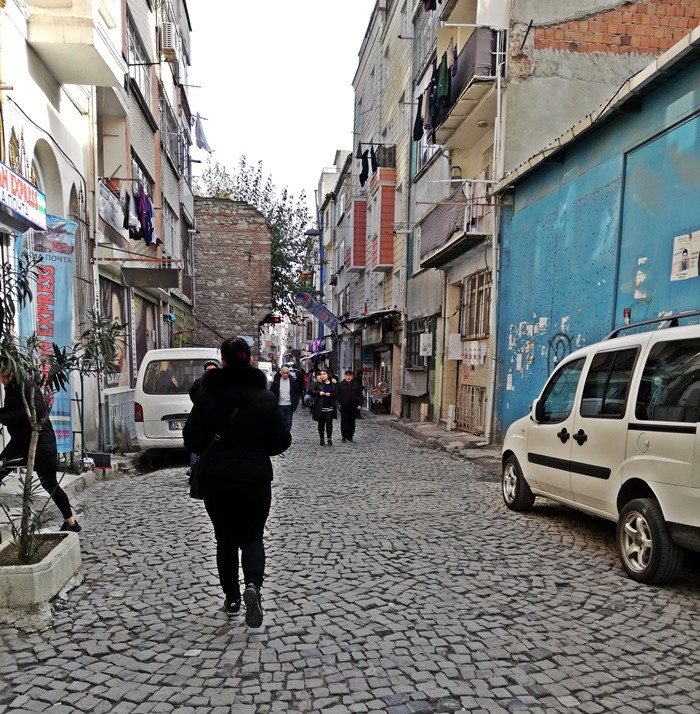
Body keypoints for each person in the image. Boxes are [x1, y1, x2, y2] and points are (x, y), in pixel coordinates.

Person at [183, 338, 291, 628]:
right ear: (250, 361)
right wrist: (256, 448)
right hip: (255, 478)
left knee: (225, 539)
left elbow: (191, 439)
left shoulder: (207, 395)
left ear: (224, 360)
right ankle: (253, 586)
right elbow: (282, 441)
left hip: (217, 478)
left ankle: (232, 599)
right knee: (253, 536)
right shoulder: (266, 398)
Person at [0, 372, 81, 532]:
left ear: (6, 372)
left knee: (50, 484)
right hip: (21, 442)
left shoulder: (25, 385)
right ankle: (71, 523)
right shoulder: (11, 386)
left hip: (39, 443)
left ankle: (71, 523)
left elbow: (33, 411)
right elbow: (13, 409)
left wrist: (3, 417)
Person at [310, 369, 337, 445]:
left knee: (329, 423)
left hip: (330, 407)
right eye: (321, 374)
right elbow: (311, 391)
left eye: (324, 374)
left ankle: (329, 438)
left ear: (328, 375)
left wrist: (330, 395)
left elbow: (336, 394)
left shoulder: (332, 384)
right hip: (320, 407)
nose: (322, 375)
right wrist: (319, 393)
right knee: (321, 424)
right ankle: (321, 438)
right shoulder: (317, 383)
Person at [270, 365, 300, 430]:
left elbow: (297, 393)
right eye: (284, 373)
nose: (285, 375)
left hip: (289, 406)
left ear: (288, 373)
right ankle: (282, 437)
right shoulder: (276, 382)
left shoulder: (293, 381)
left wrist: (295, 403)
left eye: (287, 373)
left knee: (288, 423)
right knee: (281, 423)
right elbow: (271, 392)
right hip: (280, 405)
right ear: (281, 373)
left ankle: (287, 437)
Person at [337, 370, 363, 442]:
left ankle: (350, 436)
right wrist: (341, 401)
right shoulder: (341, 384)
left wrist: (360, 404)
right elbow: (337, 395)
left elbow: (360, 396)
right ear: (345, 376)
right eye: (347, 375)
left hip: (353, 406)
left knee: (352, 421)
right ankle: (344, 436)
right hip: (344, 406)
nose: (348, 377)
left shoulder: (356, 385)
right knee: (344, 421)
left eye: (350, 376)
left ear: (352, 376)